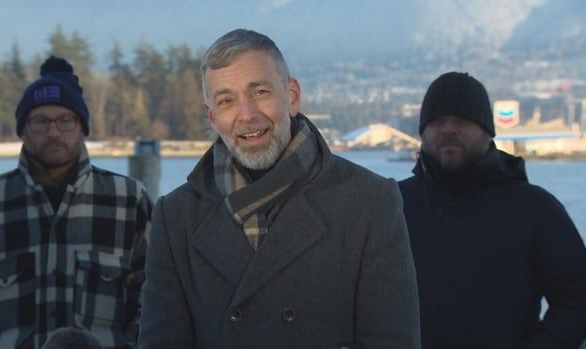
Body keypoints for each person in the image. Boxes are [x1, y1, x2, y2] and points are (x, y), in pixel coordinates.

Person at [138, 29, 420, 349]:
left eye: (259, 92)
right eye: (226, 100)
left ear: (292, 96)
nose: (247, 115)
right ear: (213, 117)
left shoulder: (369, 202)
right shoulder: (175, 218)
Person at [0, 56, 152, 348]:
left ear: (82, 127)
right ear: (23, 129)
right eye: (40, 121)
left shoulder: (128, 201)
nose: (54, 132)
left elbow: (153, 303)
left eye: (65, 120)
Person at [399, 71, 586, 349]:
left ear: (488, 132)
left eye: (461, 120)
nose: (449, 129)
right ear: (423, 132)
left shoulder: (534, 209)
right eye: (438, 121)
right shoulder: (393, 205)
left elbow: (578, 300)